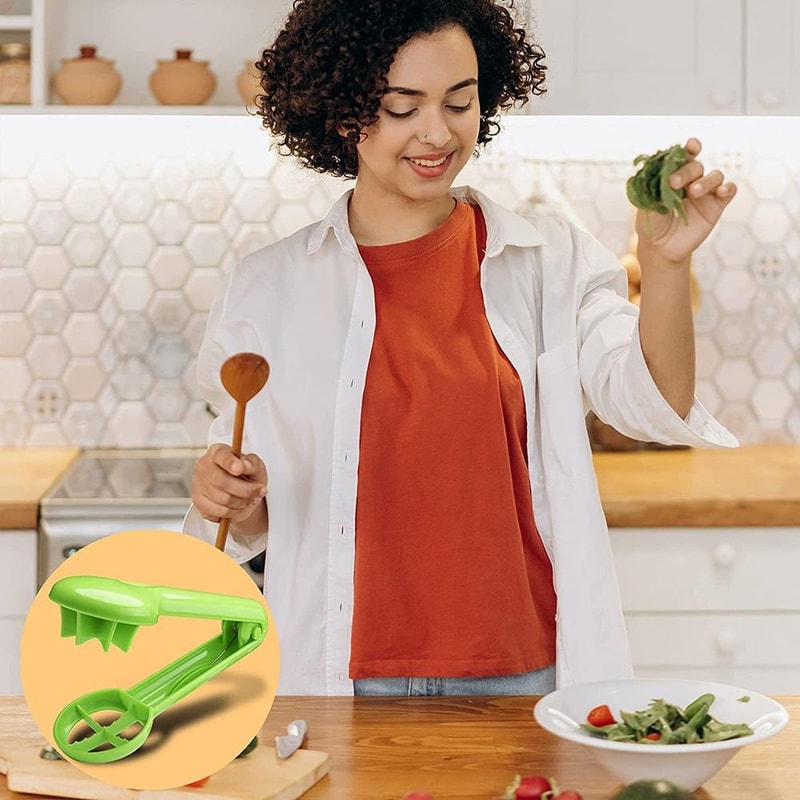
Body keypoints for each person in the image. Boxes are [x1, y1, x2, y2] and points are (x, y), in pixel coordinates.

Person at [184, 0, 738, 697]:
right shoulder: (270, 286)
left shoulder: (548, 260)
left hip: (524, 674)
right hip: (341, 678)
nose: (437, 132)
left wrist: (665, 266)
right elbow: (257, 511)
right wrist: (227, 494)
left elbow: (654, 402)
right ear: (342, 108)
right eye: (402, 106)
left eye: (459, 102)